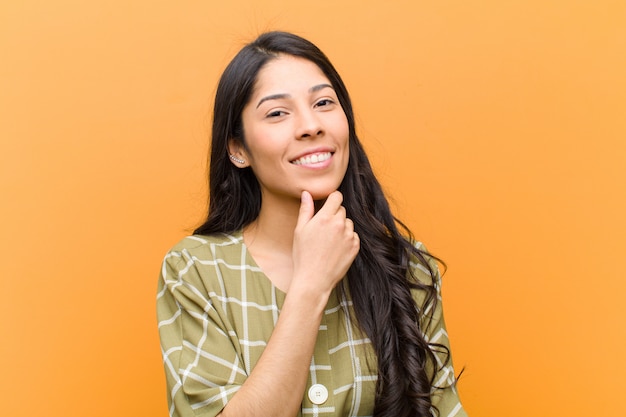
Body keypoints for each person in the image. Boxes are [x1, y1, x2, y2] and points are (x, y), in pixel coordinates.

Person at [157, 31, 468, 417]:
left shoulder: (406, 266)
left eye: (324, 103)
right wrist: (310, 285)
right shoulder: (195, 270)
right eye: (277, 113)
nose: (310, 126)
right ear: (238, 149)